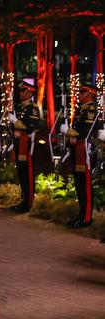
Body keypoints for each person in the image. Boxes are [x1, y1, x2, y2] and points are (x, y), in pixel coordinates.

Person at [65, 84, 100, 228]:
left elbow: (85, 130)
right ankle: (81, 214)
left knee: (84, 184)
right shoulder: (80, 109)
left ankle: (86, 218)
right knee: (79, 184)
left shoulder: (91, 110)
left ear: (90, 95)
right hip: (77, 150)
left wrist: (70, 132)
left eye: (82, 92)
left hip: (85, 150)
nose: (79, 94)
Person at [10, 81, 40, 213]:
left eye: (23, 91)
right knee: (21, 173)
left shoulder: (32, 108)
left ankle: (28, 202)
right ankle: (23, 199)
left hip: (26, 144)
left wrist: (16, 122)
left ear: (30, 92)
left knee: (27, 173)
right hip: (18, 142)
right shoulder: (19, 107)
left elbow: (30, 127)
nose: (21, 93)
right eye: (20, 91)